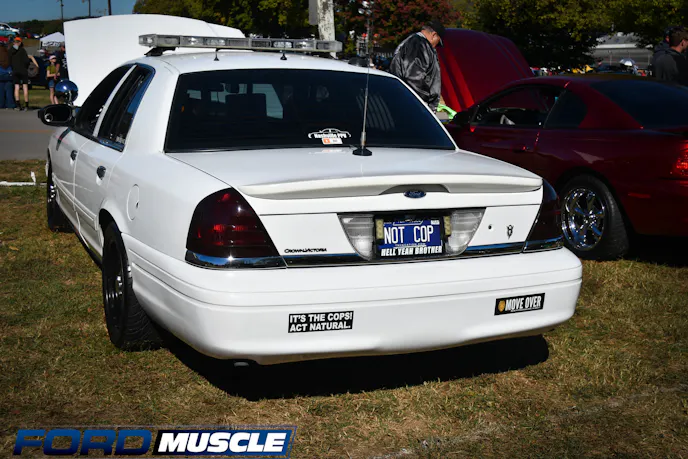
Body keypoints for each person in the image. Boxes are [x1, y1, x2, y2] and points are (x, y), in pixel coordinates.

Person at [389, 21, 445, 113]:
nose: (435, 47)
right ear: (434, 35)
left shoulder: (413, 42)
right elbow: (414, 78)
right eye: (438, 42)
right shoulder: (419, 45)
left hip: (406, 102)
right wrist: (424, 103)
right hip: (412, 106)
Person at [9, 37, 38, 110]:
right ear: (20, 43)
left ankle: (18, 105)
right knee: (25, 87)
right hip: (23, 70)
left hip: (15, 70)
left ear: (14, 43)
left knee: (16, 87)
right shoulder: (22, 50)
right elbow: (26, 61)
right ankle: (26, 105)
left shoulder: (10, 51)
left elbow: (9, 60)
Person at [0, 42, 14, 109]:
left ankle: (1, 104)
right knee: (9, 90)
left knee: (1, 90)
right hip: (9, 72)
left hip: (1, 72)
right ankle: (10, 104)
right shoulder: (8, 53)